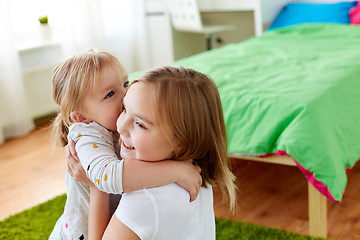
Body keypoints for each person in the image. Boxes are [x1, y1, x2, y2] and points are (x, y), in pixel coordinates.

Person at [48, 50, 202, 240]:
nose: (125, 96)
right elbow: (108, 176)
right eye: (110, 94)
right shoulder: (87, 135)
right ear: (82, 117)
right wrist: (178, 171)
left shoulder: (114, 124)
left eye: (125, 84)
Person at [99, 66, 237, 239]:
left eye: (140, 124)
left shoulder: (145, 199)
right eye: (124, 109)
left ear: (182, 143)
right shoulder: (195, 170)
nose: (120, 126)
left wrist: (96, 188)